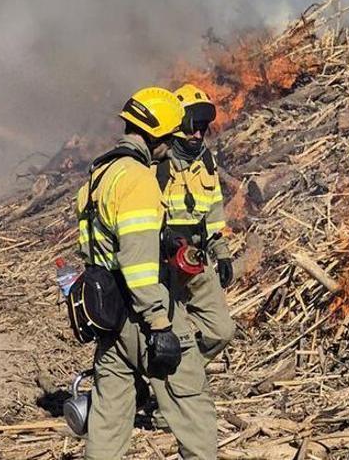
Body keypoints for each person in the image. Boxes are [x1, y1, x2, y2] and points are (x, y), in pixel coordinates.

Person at [78, 87, 216, 459]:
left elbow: (99, 245)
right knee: (193, 411)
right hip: (143, 316)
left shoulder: (99, 173)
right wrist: (159, 324)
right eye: (169, 139)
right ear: (155, 135)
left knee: (108, 419)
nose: (170, 148)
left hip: (109, 317)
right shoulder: (138, 178)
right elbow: (138, 265)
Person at [158, 84, 236, 363]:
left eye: (203, 127)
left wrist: (223, 255)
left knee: (223, 331)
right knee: (173, 339)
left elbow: (213, 214)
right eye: (194, 126)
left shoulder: (207, 162)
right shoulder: (157, 165)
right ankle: (175, 388)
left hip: (196, 261)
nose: (198, 134)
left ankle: (186, 374)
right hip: (162, 269)